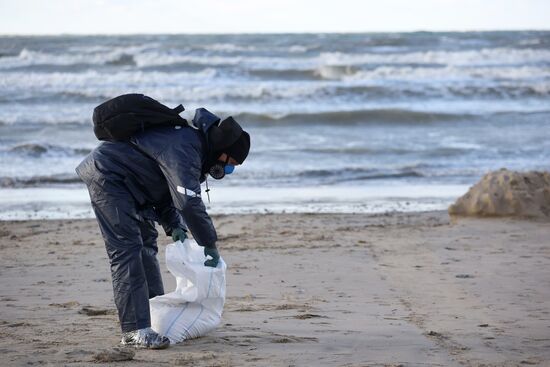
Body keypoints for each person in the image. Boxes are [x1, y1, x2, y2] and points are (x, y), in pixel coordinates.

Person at [76, 107, 250, 349]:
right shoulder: (187, 145)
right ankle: (135, 331)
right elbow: (188, 201)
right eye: (231, 163)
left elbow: (167, 193)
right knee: (128, 251)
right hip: (110, 176)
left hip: (135, 184)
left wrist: (173, 226)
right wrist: (209, 243)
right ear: (223, 151)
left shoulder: (197, 151)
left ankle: (152, 315)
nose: (228, 170)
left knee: (147, 245)